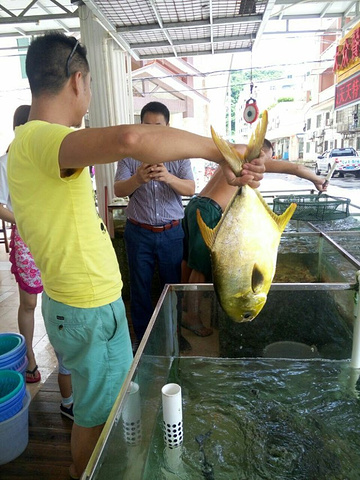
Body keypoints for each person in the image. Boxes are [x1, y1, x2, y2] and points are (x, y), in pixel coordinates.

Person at [7, 33, 266, 479]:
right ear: (78, 81)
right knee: (96, 414)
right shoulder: (41, 140)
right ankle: (86, 472)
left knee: (100, 402)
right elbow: (131, 137)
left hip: (81, 304)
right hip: (88, 307)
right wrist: (225, 152)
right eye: (87, 89)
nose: (87, 101)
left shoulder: (26, 147)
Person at [0, 105, 74, 417]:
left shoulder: (50, 156)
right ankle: (30, 359)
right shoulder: (7, 161)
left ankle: (67, 364)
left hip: (55, 237)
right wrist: (24, 220)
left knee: (60, 299)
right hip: (28, 240)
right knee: (29, 303)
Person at [182, 140, 328, 285]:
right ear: (262, 152)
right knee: (200, 267)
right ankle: (193, 307)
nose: (267, 162)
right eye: (268, 157)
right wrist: (317, 179)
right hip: (210, 210)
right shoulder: (251, 160)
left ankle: (180, 298)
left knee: (189, 260)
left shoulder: (232, 157)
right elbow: (295, 168)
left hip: (194, 205)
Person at [113, 101, 198, 345]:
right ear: (141, 126)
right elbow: (119, 188)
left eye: (158, 126)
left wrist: (169, 177)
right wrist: (138, 178)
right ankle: (143, 342)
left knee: (171, 289)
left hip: (172, 233)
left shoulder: (180, 154)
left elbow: (191, 189)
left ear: (168, 127)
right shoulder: (129, 156)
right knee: (139, 291)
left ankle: (173, 337)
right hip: (138, 232)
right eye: (147, 126)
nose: (151, 131)